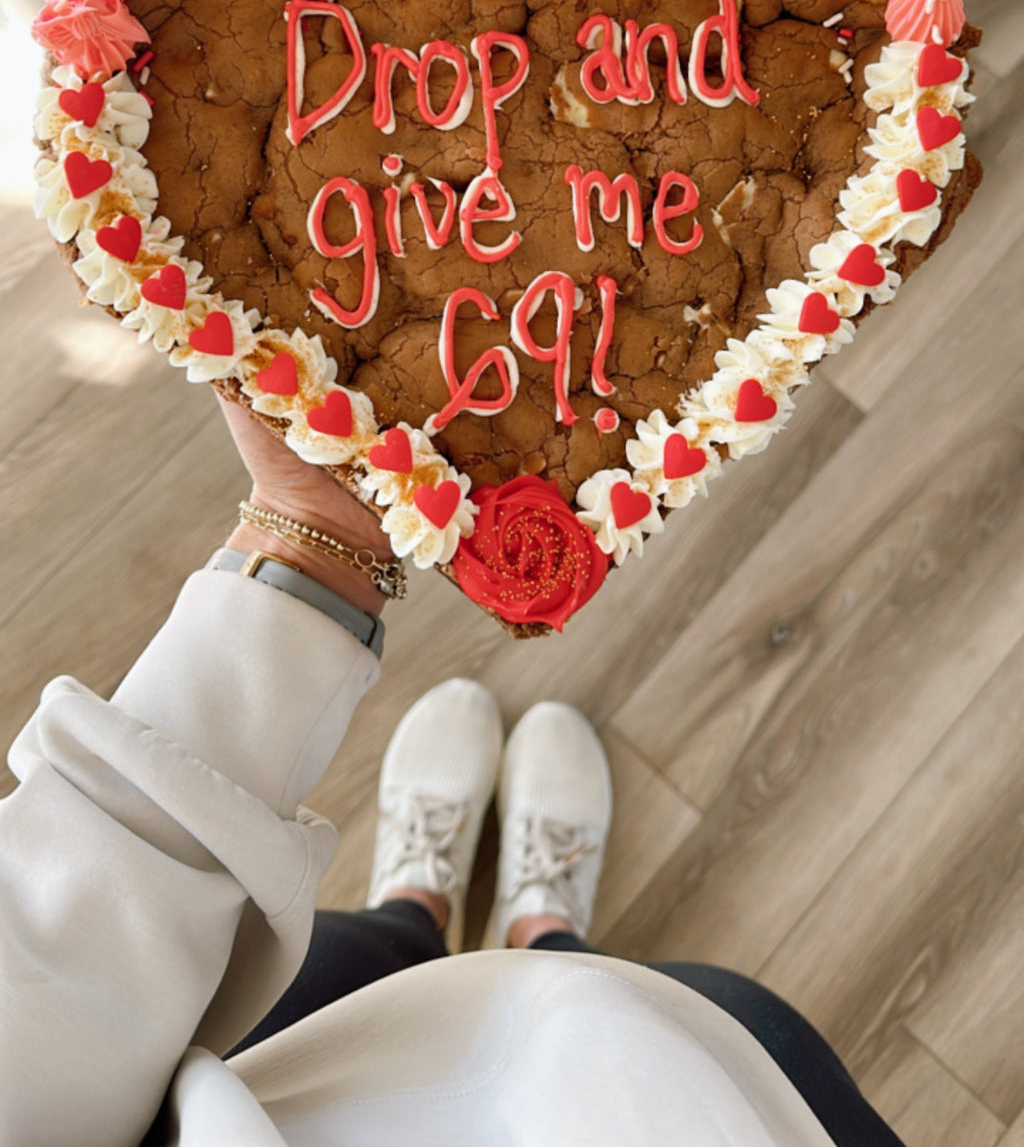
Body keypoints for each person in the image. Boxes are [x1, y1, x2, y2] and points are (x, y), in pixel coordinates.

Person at [0, 396, 904, 1146]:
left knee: (361, 956)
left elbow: (44, 1011)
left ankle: (419, 905)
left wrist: (315, 543)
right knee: (718, 1015)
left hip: (268, 1101)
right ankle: (545, 929)